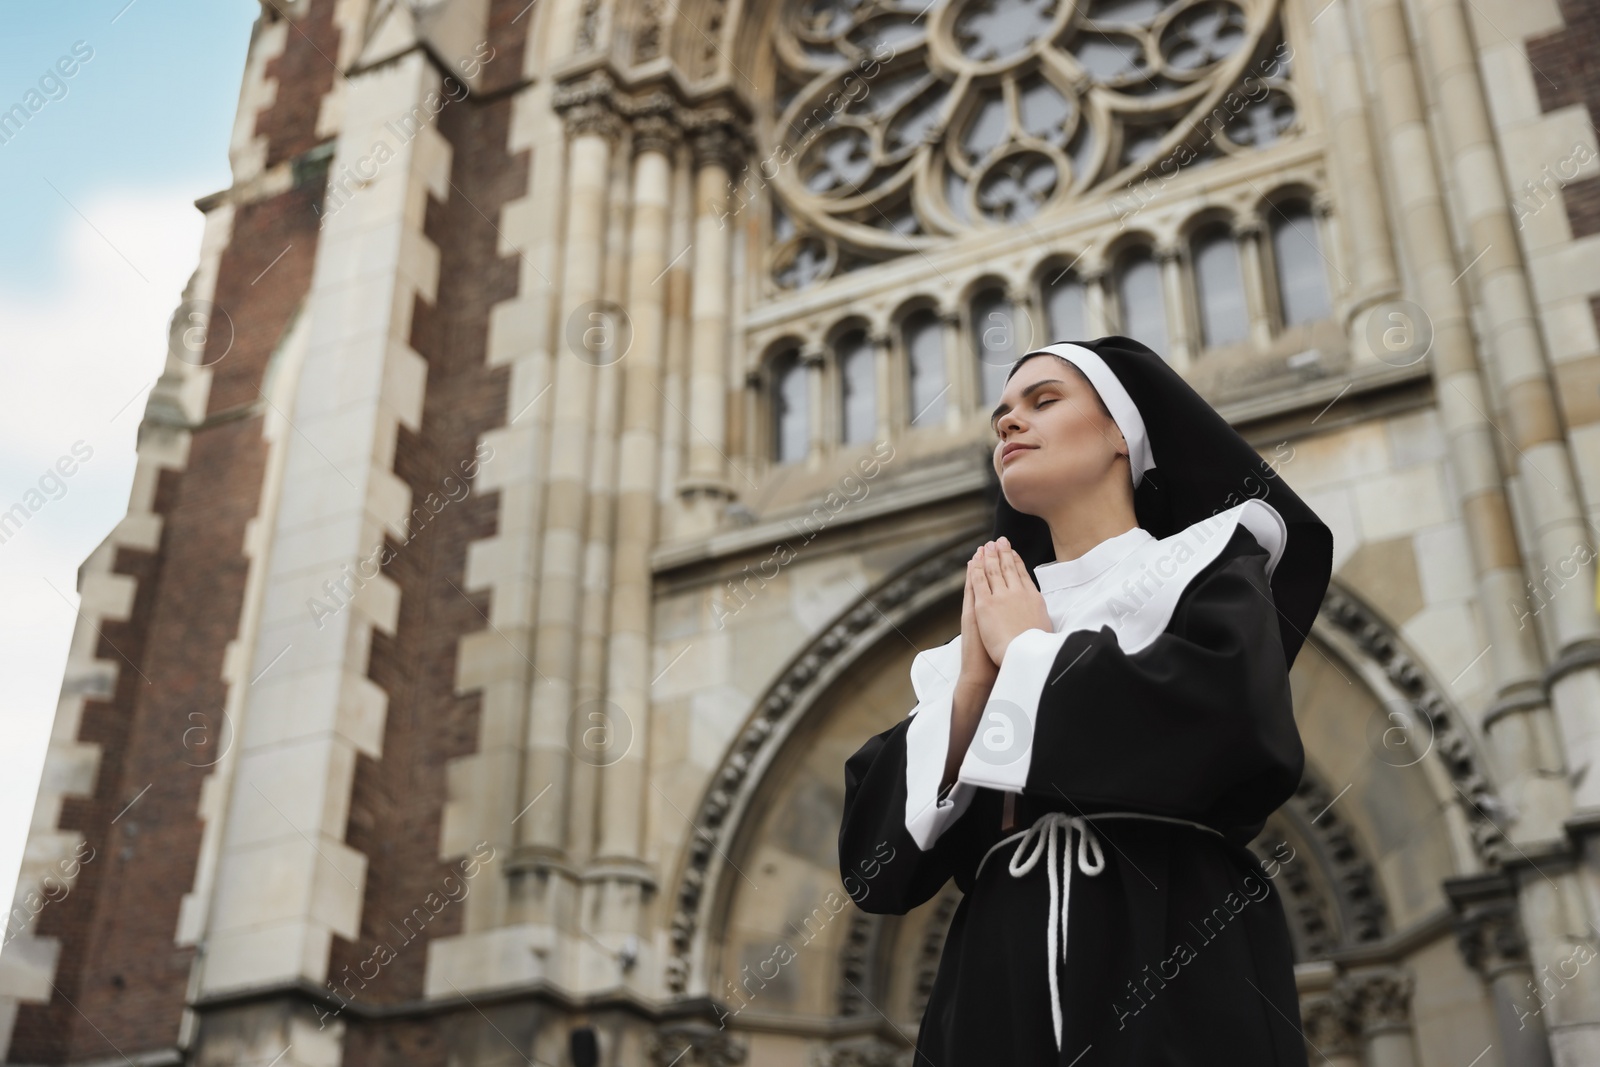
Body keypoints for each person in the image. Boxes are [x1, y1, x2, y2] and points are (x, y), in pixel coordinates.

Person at [837, 336, 1332, 1065]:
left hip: (1170, 929)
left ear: (1119, 439)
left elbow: (1235, 723)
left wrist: (1032, 655)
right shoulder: (992, 623)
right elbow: (878, 870)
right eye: (1001, 411)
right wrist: (975, 681)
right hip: (995, 968)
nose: (1008, 421)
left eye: (1043, 400)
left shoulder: (1206, 564)